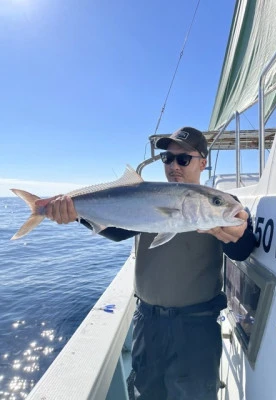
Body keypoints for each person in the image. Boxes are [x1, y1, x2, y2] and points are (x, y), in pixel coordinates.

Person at [38, 127, 256, 400]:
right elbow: (118, 231)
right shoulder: (148, 197)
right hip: (146, 322)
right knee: (145, 394)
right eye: (167, 158)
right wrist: (77, 215)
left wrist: (239, 237)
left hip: (196, 326)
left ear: (203, 161)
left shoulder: (219, 204)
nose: (174, 166)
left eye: (183, 159)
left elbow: (242, 248)